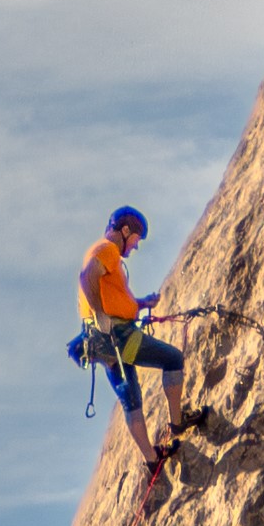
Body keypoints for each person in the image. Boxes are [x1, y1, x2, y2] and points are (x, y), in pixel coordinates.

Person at [78, 206, 186, 502]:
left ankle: (152, 461)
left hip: (102, 344)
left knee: (131, 398)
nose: (135, 246)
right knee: (172, 359)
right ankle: (178, 423)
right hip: (119, 337)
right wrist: (102, 314)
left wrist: (139, 304)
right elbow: (87, 276)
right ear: (125, 231)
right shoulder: (108, 250)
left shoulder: (102, 252)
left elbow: (111, 296)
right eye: (136, 239)